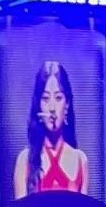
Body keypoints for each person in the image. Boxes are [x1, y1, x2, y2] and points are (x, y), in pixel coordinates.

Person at [13, 61, 89, 197]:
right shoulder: (25, 160)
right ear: (38, 105)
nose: (52, 108)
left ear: (67, 105)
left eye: (58, 98)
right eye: (45, 98)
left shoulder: (80, 160)